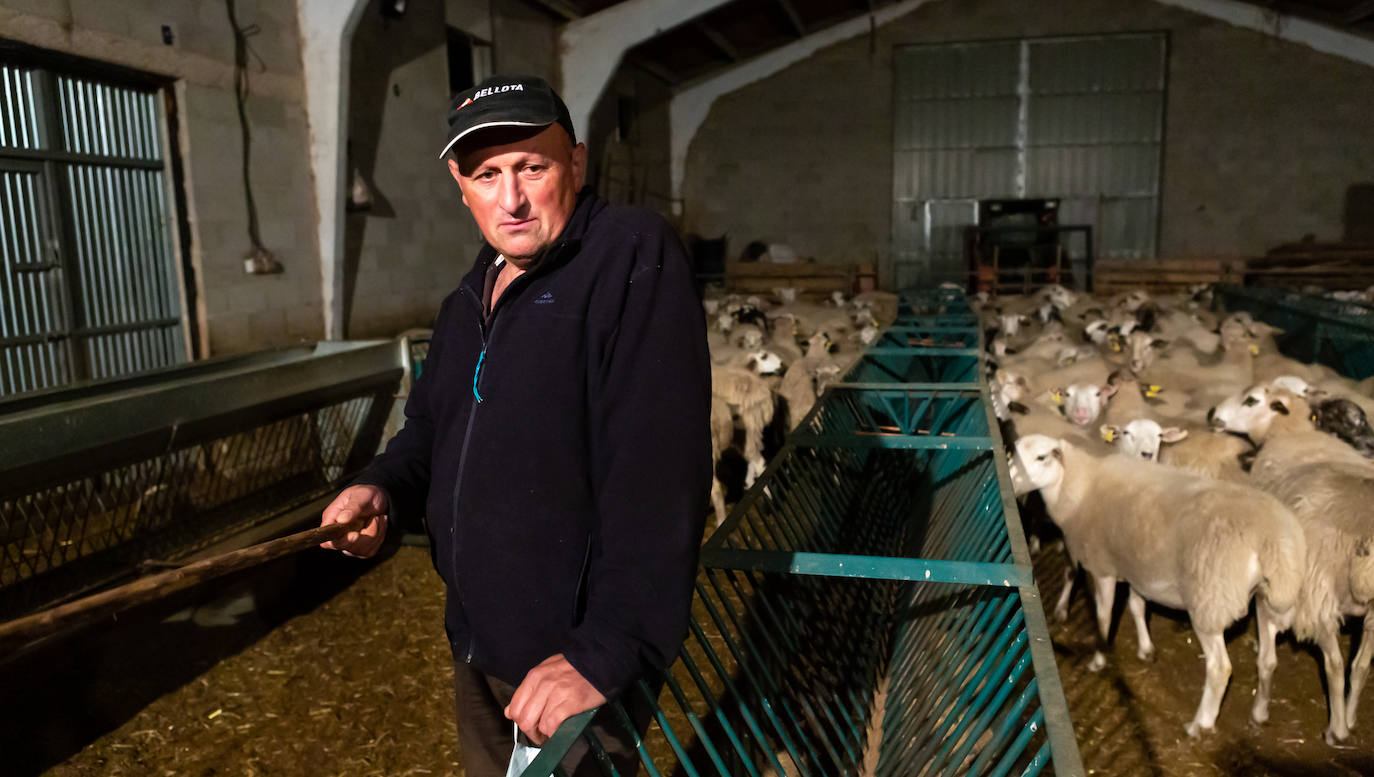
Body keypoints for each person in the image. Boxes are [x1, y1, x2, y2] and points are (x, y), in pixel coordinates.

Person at [318, 74, 711, 776]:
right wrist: (379, 486)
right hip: (478, 641)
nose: (513, 198)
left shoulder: (628, 258)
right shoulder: (465, 300)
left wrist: (607, 649)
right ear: (458, 183)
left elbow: (660, 470)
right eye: (488, 173)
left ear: (579, 165)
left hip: (572, 661)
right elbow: (429, 433)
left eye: (534, 166)